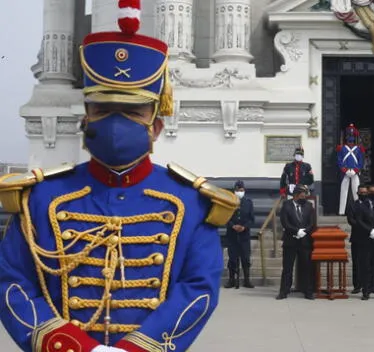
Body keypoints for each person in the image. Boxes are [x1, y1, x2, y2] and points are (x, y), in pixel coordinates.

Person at [0, 2, 240, 351]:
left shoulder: (192, 202)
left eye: (131, 111)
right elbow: (12, 283)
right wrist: (77, 347)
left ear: (155, 126)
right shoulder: (38, 198)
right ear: (85, 118)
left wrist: (137, 348)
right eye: (102, 109)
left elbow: (198, 288)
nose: (115, 123)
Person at [276, 185, 317, 300]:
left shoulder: (308, 206)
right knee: (287, 268)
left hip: (305, 241)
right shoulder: (286, 205)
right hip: (290, 241)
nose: (304, 198)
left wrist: (305, 231)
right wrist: (296, 231)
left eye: (305, 196)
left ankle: (308, 291)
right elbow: (285, 222)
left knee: (306, 266)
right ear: (295, 196)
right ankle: (284, 291)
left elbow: (311, 222)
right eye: (302, 196)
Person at [224, 180, 255, 289]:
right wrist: (232, 226)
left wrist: (244, 227)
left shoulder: (248, 202)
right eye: (237, 190)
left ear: (244, 191)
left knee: (245, 258)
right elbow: (225, 217)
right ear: (234, 191)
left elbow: (252, 219)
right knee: (232, 258)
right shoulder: (229, 202)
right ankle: (231, 280)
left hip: (244, 235)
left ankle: (247, 280)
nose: (239, 192)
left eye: (241, 190)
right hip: (232, 234)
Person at [337, 124, 365, 215]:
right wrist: (344, 170)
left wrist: (356, 170)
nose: (351, 138)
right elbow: (339, 160)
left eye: (352, 136)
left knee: (356, 192)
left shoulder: (359, 148)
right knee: (343, 192)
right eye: (349, 135)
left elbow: (361, 161)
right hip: (345, 172)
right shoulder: (342, 148)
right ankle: (341, 211)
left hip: (355, 172)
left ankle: (358, 210)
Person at [346, 184, 369, 293]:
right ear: (357, 193)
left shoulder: (370, 204)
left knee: (370, 262)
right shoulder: (352, 205)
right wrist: (362, 227)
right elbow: (350, 219)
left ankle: (371, 285)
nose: (363, 194)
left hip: (370, 237)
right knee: (357, 263)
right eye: (361, 193)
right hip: (357, 237)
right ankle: (357, 285)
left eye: (365, 193)